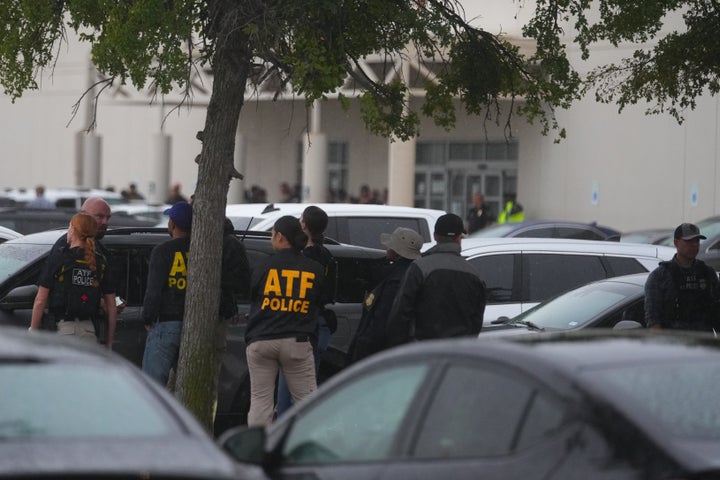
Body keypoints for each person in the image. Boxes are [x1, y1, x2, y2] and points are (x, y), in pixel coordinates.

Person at [245, 215, 325, 426]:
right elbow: (320, 301)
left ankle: (259, 449)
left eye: (272, 234)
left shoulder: (264, 265)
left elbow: (252, 294)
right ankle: (308, 449)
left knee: (260, 403)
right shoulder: (314, 269)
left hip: (262, 339)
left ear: (280, 237)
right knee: (307, 404)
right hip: (297, 341)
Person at [386, 213, 486, 346]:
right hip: (459, 354)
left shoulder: (420, 268)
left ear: (435, 236)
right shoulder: (475, 275)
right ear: (459, 238)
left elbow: (400, 313)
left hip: (423, 352)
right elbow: (476, 321)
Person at [275, 206, 337, 418]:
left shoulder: (302, 259)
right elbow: (329, 292)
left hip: (300, 323)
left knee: (286, 389)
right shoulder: (327, 255)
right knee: (308, 385)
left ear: (303, 225)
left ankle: (283, 427)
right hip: (319, 325)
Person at [29, 213, 118, 347]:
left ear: (73, 231)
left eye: (69, 227)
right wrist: (109, 342)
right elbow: (111, 306)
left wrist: (32, 332)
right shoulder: (100, 262)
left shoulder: (60, 257)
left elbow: (40, 300)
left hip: (62, 332)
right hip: (89, 332)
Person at [346, 226, 423, 365]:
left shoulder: (394, 279)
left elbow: (381, 319)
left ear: (397, 252)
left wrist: (364, 345)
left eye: (390, 245)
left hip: (378, 351)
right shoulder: (413, 274)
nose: (387, 248)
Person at [141, 201, 192, 386]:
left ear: (172, 224)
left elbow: (153, 290)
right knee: (186, 386)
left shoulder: (162, 251)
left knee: (153, 388)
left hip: (166, 324)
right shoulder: (201, 251)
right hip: (194, 326)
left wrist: (147, 318)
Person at [645, 223, 720, 332]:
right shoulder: (659, 277)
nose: (694, 245)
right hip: (675, 344)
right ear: (676, 242)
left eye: (697, 241)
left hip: (703, 344)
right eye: (689, 241)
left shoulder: (708, 273)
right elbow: (654, 321)